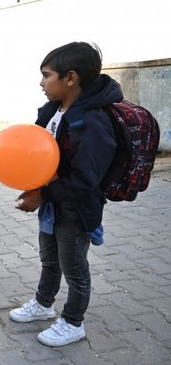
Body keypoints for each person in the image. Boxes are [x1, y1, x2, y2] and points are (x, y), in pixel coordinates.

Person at [10, 42, 122, 346]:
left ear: (70, 78)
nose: (41, 82)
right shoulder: (54, 110)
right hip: (53, 203)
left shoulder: (91, 123)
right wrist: (35, 186)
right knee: (50, 259)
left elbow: (86, 180)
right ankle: (44, 304)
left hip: (75, 208)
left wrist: (42, 195)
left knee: (74, 268)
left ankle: (73, 322)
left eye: (47, 75)